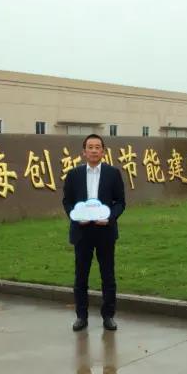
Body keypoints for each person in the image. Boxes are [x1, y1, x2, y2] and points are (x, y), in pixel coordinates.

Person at [62, 134, 126, 331]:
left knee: (108, 275)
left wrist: (110, 217)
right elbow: (67, 201)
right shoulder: (74, 175)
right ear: (84, 152)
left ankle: (108, 316)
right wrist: (75, 216)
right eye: (90, 147)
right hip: (82, 232)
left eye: (98, 147)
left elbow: (120, 202)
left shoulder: (112, 173)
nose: (94, 150)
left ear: (103, 152)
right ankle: (81, 316)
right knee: (81, 276)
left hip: (105, 230)